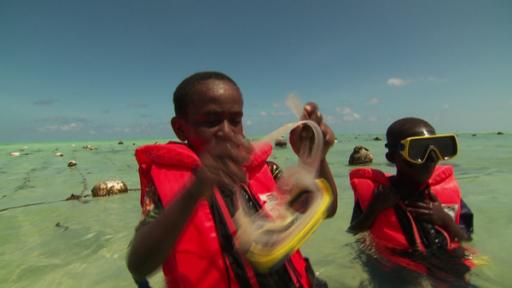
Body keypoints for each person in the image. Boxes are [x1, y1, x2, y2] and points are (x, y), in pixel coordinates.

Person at [127, 71, 338, 287]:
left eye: (235, 120)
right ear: (180, 128)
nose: (227, 131)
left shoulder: (268, 170)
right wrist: (193, 192)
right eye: (211, 122)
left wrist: (317, 157)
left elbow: (326, 210)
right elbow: (138, 264)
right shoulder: (169, 191)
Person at [347, 117, 474, 286]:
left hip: (443, 257)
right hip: (395, 262)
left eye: (439, 148)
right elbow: (354, 230)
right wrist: (374, 209)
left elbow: (465, 237)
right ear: (392, 157)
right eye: (418, 151)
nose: (431, 158)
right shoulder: (378, 196)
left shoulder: (442, 194)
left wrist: (444, 220)